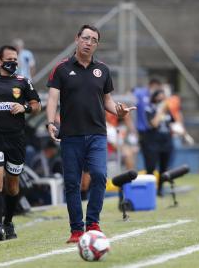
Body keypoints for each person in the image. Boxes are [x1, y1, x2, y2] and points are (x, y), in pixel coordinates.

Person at [46, 24, 136, 243]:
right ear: (77, 39)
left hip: (97, 134)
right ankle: (76, 230)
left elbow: (107, 101)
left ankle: (93, 223)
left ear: (97, 44)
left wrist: (120, 111)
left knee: (99, 175)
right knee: (72, 183)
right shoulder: (61, 69)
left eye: (93, 40)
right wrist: (50, 122)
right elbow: (52, 99)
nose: (89, 43)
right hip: (71, 136)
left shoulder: (103, 70)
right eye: (85, 38)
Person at [0, 45, 41, 241]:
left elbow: (37, 105)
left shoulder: (23, 82)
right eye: (9, 59)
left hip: (16, 139)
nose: (13, 62)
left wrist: (25, 107)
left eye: (15, 59)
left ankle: (8, 222)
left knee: (12, 186)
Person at [144, 89, 174, 196]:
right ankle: (149, 191)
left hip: (166, 142)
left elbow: (172, 124)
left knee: (164, 168)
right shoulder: (149, 109)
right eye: (160, 97)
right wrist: (160, 110)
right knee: (151, 167)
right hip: (153, 142)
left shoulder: (167, 110)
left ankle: (160, 190)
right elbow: (154, 124)